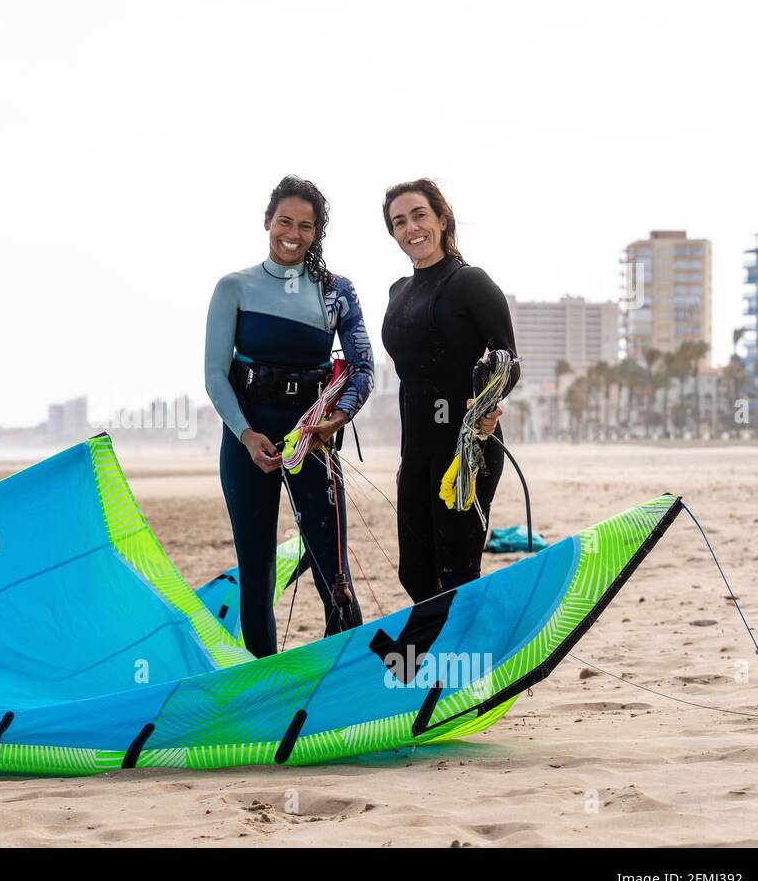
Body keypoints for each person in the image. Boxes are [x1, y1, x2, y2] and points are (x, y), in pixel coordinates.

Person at [204, 175, 375, 657]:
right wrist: (246, 434)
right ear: (267, 222)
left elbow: (363, 367)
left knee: (333, 571)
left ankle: (342, 676)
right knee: (255, 575)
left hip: (313, 440)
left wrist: (336, 420)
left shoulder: (336, 292)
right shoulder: (234, 287)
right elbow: (215, 375)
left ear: (317, 232)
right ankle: (267, 685)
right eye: (285, 221)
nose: (293, 234)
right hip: (247, 441)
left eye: (306, 225)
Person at [381, 178, 521, 603]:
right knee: (415, 574)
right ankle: (442, 661)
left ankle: (467, 662)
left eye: (419, 215)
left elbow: (507, 358)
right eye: (399, 221)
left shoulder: (470, 282)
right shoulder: (397, 292)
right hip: (417, 450)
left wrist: (487, 405)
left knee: (457, 571)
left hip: (467, 450)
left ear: (442, 219)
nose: (411, 228)